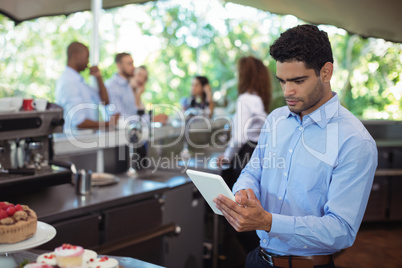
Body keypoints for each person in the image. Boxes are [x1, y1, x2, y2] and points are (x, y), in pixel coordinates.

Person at [214, 24, 378, 268]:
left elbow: (341, 230)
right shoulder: (276, 119)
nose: (288, 91)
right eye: (282, 81)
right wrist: (243, 191)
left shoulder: (355, 141)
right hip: (257, 259)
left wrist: (268, 222)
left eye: (298, 81)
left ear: (326, 72)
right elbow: (252, 171)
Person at [217, 55, 272, 189]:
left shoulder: (245, 99)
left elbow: (239, 138)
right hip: (255, 154)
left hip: (243, 156)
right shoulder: (258, 100)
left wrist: (227, 157)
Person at [56, 42, 118, 130]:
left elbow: (105, 100)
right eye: (87, 57)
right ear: (76, 55)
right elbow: (79, 122)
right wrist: (109, 123)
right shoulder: (69, 82)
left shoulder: (79, 82)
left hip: (84, 139)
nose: (88, 61)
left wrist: (99, 77)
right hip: (73, 141)